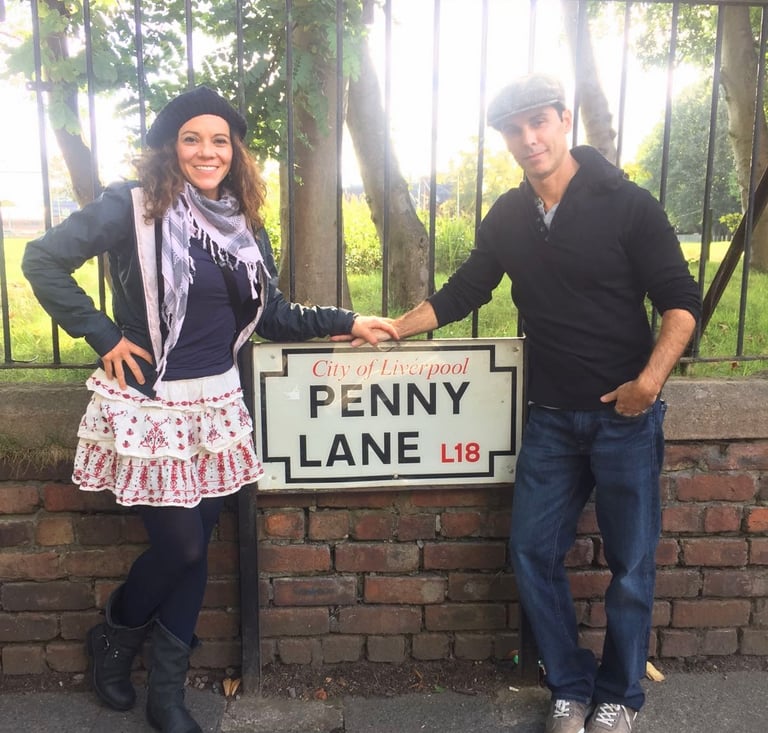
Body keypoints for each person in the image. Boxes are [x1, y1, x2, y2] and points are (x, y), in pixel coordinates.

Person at [22, 85, 397, 733]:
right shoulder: (132, 206)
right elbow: (43, 259)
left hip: (219, 405)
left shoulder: (243, 222)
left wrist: (349, 318)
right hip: (153, 405)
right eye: (192, 138)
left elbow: (273, 314)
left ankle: (165, 691)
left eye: (219, 139)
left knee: (194, 550)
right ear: (172, 146)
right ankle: (113, 633)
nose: (207, 150)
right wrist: (103, 335)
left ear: (235, 151)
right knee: (184, 543)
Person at [339, 73, 701, 733]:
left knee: (631, 564)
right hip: (551, 419)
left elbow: (682, 301)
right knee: (532, 550)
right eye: (514, 128)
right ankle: (569, 684)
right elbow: (464, 291)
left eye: (539, 121)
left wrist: (649, 382)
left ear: (564, 120)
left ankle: (619, 696)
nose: (528, 138)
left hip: (625, 418)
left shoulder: (627, 203)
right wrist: (394, 326)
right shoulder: (508, 214)